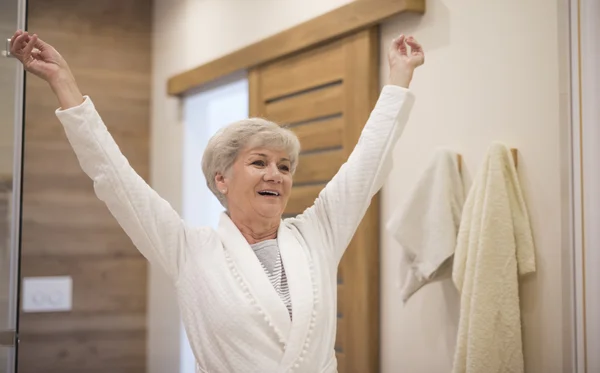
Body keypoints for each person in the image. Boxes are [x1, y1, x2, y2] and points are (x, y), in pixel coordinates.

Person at [10, 29, 424, 372]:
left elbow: (367, 164)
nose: (275, 175)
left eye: (284, 166)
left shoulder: (317, 234)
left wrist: (398, 78)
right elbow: (115, 179)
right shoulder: (190, 251)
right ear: (221, 179)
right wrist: (64, 84)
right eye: (259, 162)